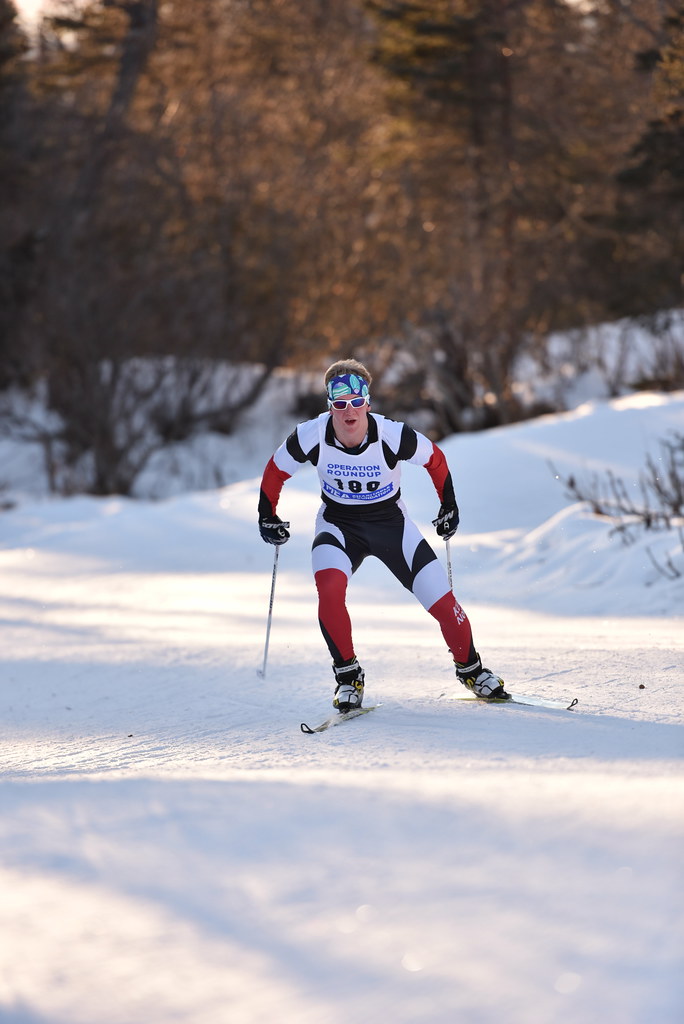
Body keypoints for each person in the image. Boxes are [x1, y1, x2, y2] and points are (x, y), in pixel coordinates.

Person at [258, 358, 508, 711]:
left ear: (368, 404)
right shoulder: (311, 434)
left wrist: (448, 505)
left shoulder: (392, 434)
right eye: (340, 403)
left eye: (357, 402)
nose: (349, 412)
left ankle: (471, 670)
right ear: (330, 406)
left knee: (442, 602)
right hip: (339, 525)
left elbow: (435, 460)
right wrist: (266, 515)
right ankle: (348, 676)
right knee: (329, 591)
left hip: (392, 526)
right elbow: (275, 470)